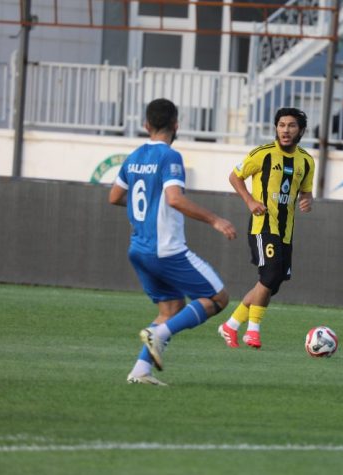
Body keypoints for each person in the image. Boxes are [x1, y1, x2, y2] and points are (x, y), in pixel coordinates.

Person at [109, 98, 237, 386]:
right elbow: (175, 199)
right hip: (165, 249)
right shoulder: (169, 156)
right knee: (218, 298)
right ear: (176, 125)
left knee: (170, 309)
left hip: (138, 248)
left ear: (146, 125)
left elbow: (114, 197)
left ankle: (140, 371)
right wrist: (215, 220)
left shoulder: (134, 156)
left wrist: (147, 207)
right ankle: (159, 334)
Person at [218, 107, 315, 349]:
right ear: (276, 128)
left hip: (286, 231)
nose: (285, 130)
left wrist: (307, 200)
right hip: (263, 225)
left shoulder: (306, 161)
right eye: (281, 125)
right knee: (269, 276)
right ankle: (253, 331)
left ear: (301, 130)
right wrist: (250, 201)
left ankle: (231, 325)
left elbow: (306, 191)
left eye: (291, 125)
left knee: (274, 284)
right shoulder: (263, 154)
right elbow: (235, 176)